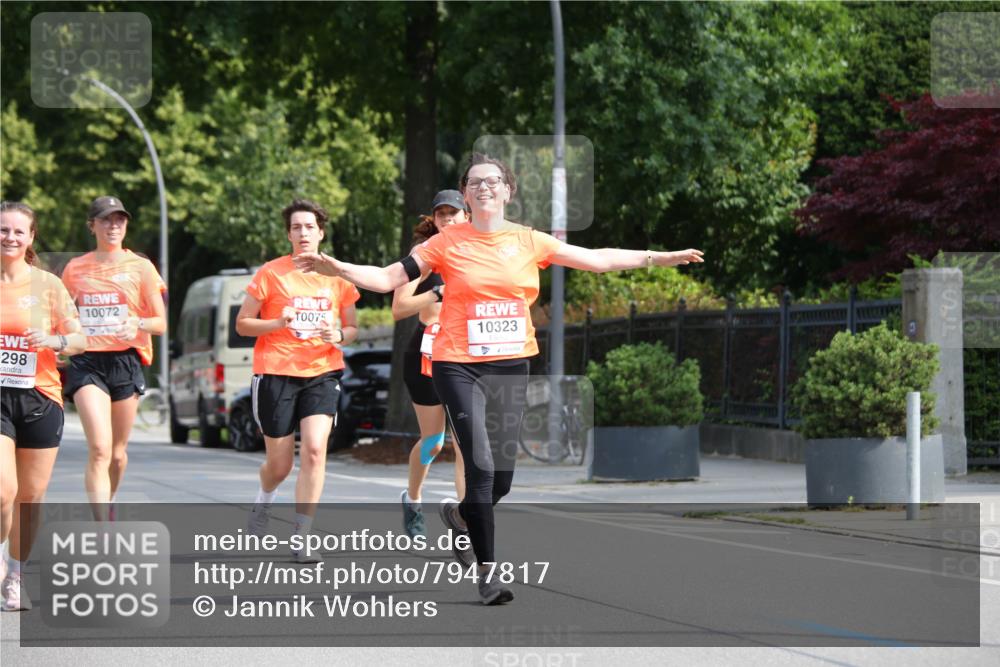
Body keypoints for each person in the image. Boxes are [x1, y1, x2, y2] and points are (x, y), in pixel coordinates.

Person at [294, 153, 704, 604]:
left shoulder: (529, 241)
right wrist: (338, 268)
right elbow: (389, 276)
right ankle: (488, 575)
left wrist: (657, 257)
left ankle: (462, 516)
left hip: (510, 365)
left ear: (508, 191)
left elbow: (596, 259)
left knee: (502, 480)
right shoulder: (446, 243)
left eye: (493, 181)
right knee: (481, 466)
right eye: (474, 182)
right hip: (457, 365)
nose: (484, 187)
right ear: (466, 195)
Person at [236, 199, 359, 563]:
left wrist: (337, 335)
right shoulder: (271, 273)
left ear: (320, 232)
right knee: (280, 465)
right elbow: (243, 323)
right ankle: (264, 500)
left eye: (309, 227)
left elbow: (351, 328)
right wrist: (277, 323)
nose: (303, 233)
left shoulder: (336, 275)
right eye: (296, 228)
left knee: (315, 450)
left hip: (322, 372)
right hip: (275, 372)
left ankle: (302, 536)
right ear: (289, 234)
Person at [1, 201, 86, 611]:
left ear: (31, 237)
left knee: (30, 498)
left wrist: (53, 341)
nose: (10, 237)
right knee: (4, 491)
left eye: (18, 231)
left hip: (40, 396)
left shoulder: (48, 286)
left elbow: (79, 339)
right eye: (3, 230)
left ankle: (15, 576)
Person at [61, 197, 166, 522]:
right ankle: (101, 527)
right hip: (87, 362)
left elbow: (160, 324)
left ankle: (111, 499)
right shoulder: (75, 268)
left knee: (118, 455)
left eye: (119, 220)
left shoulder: (141, 267)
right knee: (100, 448)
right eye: (105, 220)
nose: (113, 226)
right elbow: (61, 317)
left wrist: (137, 322)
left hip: (126, 362)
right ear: (92, 225)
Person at [392, 190, 468, 538]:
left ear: (467, 216)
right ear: (434, 220)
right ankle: (413, 497)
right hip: (426, 353)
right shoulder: (423, 255)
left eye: (454, 214)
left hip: (467, 353)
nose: (448, 220)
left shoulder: (478, 251)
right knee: (434, 442)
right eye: (442, 215)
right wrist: (435, 293)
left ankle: (467, 521)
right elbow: (399, 308)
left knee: (468, 442)